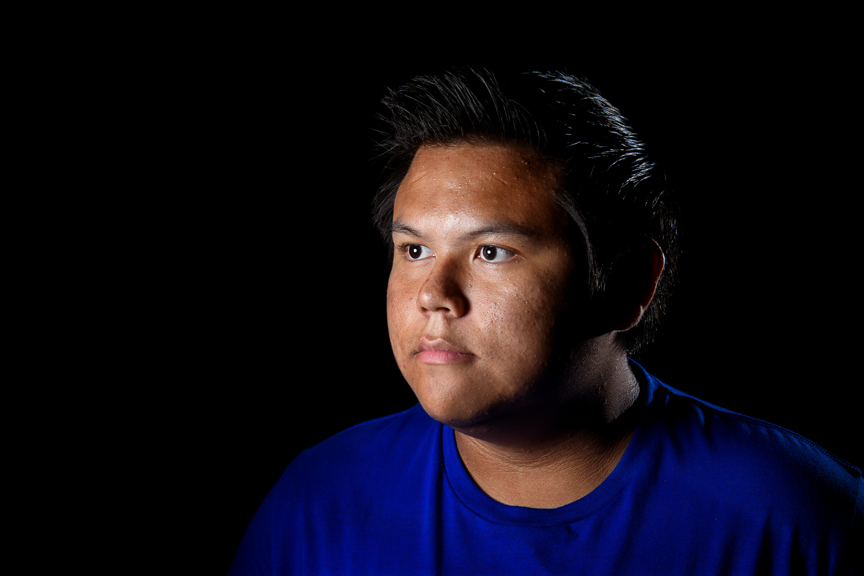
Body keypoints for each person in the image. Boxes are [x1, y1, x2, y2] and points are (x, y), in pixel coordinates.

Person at [228, 67, 862, 575]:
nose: (434, 296)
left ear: (626, 284)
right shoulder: (318, 501)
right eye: (414, 250)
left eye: (492, 252)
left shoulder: (797, 518)